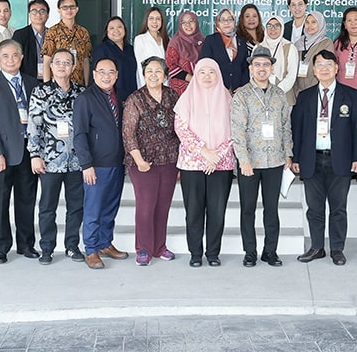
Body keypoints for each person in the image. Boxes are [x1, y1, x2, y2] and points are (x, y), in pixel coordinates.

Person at [291, 50, 357, 266]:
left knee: (338, 208)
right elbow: (298, 129)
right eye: (319, 65)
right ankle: (316, 247)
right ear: (314, 70)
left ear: (336, 68)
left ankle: (337, 248)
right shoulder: (304, 97)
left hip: (340, 160)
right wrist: (296, 157)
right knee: (314, 208)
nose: (324, 68)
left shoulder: (350, 95)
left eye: (328, 64)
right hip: (311, 159)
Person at [0, 39, 40, 264]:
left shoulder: (34, 84)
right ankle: (0, 247)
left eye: (15, 55)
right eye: (5, 56)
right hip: (2, 153)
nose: (11, 60)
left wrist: (38, 152)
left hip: (28, 151)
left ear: (22, 58)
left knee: (26, 200)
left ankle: (26, 244)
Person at [231, 47, 293, 268]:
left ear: (272, 68)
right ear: (250, 68)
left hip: (275, 161)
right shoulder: (242, 95)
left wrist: (288, 153)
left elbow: (286, 126)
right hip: (250, 163)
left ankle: (270, 251)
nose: (261, 68)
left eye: (265, 65)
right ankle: (250, 252)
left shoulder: (279, 94)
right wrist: (243, 160)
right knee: (248, 209)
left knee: (271, 208)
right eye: (257, 65)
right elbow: (237, 131)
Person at [173, 58, 236, 267]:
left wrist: (216, 155)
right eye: (202, 72)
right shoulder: (186, 98)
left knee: (217, 211)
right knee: (194, 210)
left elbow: (236, 129)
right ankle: (195, 253)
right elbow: (181, 129)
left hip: (221, 164)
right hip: (192, 165)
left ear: (218, 74)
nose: (207, 76)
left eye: (211, 71)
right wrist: (204, 151)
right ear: (196, 75)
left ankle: (213, 253)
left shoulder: (228, 99)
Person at [27, 49, 85, 265]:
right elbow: (34, 126)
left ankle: (72, 246)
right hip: (50, 160)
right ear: (51, 66)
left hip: (76, 160)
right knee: (47, 206)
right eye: (58, 62)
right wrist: (34, 155)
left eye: (67, 62)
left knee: (76, 206)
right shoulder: (40, 92)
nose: (62, 66)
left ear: (73, 67)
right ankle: (47, 248)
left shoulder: (81, 92)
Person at [122, 57, 180, 266]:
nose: (154, 75)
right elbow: (128, 132)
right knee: (146, 206)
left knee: (163, 206)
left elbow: (180, 126)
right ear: (143, 74)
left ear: (165, 74)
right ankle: (144, 249)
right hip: (143, 161)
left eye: (158, 71)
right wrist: (138, 160)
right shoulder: (135, 99)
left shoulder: (173, 95)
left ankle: (159, 247)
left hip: (170, 159)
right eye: (149, 71)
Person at [73, 57, 129, 269]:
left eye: (111, 72)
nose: (107, 76)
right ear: (94, 74)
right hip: (95, 165)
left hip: (117, 161)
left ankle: (105, 243)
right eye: (102, 72)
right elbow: (79, 135)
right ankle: (91, 249)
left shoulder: (121, 96)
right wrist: (86, 165)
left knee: (110, 207)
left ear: (116, 75)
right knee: (93, 209)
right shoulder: (85, 99)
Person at [41, 0, 92, 87]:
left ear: (77, 9)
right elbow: (47, 61)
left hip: (78, 84)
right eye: (65, 7)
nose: (69, 10)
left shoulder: (83, 32)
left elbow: (85, 60)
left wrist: (86, 84)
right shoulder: (52, 32)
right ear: (59, 10)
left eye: (72, 7)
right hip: (57, 84)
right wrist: (47, 86)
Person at [200, 8, 249, 93]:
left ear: (234, 22)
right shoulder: (211, 40)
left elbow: (245, 67)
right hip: (216, 90)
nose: (226, 22)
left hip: (238, 91)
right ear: (218, 23)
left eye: (230, 19)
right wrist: (219, 87)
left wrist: (242, 87)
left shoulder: (241, 41)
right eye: (222, 20)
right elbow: (205, 65)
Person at [291, 11, 335, 101]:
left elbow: (327, 69)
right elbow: (292, 69)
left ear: (320, 24)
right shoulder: (298, 43)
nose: (309, 25)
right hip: (299, 93)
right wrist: (296, 90)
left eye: (314, 22)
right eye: (307, 22)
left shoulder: (326, 43)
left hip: (318, 92)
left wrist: (312, 90)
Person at [92, 16, 137, 102]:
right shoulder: (102, 49)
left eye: (119, 27)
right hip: (112, 97)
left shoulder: (131, 49)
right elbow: (97, 76)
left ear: (124, 29)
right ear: (107, 31)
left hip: (132, 95)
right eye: (112, 28)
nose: (116, 30)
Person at [259, 15, 299, 106]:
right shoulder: (258, 48)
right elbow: (253, 73)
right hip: (261, 97)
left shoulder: (289, 47)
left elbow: (292, 75)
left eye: (277, 26)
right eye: (269, 26)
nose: (273, 29)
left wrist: (277, 91)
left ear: (282, 28)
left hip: (284, 97)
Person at [166, 10, 205, 95]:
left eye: (191, 21)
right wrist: (192, 79)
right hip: (180, 91)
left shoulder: (203, 41)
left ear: (197, 23)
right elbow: (171, 68)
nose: (188, 25)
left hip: (201, 89)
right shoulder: (175, 43)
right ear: (180, 25)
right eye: (184, 22)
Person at [12, 0, 49, 82]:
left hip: (49, 80)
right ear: (29, 14)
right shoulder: (20, 34)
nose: (38, 14)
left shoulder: (53, 34)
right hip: (27, 80)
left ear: (48, 15)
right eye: (34, 11)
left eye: (42, 11)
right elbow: (15, 59)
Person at [133, 7, 169, 88]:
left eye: (158, 19)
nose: (154, 21)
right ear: (146, 20)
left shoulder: (167, 39)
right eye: (151, 18)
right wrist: (144, 88)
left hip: (164, 84)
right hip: (148, 84)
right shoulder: (140, 39)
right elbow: (140, 66)